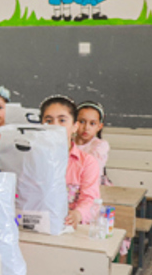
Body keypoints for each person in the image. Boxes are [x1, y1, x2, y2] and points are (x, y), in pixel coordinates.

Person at [40, 95, 100, 226]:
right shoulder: (33, 159)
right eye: (48, 121)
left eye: (62, 120)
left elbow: (90, 199)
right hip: (40, 224)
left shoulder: (87, 162)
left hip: (72, 227)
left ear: (75, 126)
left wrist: (78, 214)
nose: (55, 126)